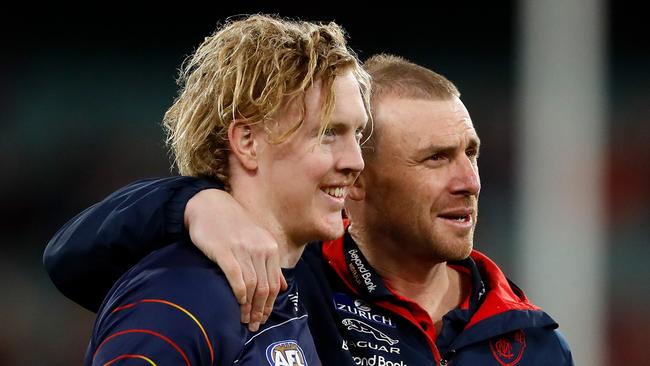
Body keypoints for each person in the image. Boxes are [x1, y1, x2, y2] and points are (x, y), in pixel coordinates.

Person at [45, 54, 574, 365]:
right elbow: (69, 258)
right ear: (356, 180)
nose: (470, 181)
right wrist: (193, 202)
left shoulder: (536, 343)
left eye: (471, 153)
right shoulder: (290, 281)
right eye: (435, 159)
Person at [58, 14, 373, 365]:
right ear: (248, 142)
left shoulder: (299, 288)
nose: (355, 160)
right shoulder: (176, 300)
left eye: (358, 135)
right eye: (329, 132)